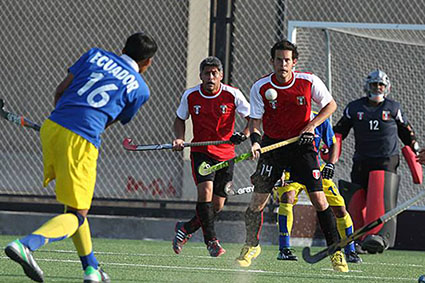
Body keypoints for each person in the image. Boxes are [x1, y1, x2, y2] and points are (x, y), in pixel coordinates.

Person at [4, 33, 157, 283]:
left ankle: (92, 270)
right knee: (77, 215)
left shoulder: (95, 54)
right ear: (148, 62)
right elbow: (109, 119)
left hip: (52, 127)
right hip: (81, 139)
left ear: (123, 48)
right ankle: (26, 245)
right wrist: (79, 134)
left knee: (75, 209)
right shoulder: (140, 88)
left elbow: (61, 91)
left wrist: (61, 123)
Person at [235, 40, 348, 272]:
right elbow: (255, 122)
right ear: (272, 61)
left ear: (294, 62)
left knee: (319, 199)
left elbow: (331, 105)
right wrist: (255, 142)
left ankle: (336, 251)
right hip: (273, 147)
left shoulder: (309, 81)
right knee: (257, 202)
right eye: (278, 60)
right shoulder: (260, 87)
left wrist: (311, 126)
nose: (283, 64)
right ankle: (251, 246)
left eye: (287, 60)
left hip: (302, 147)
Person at [171, 56, 250, 257]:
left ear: (221, 75)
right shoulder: (190, 95)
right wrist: (179, 139)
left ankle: (186, 228)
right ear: (201, 76)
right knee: (205, 192)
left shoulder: (233, 94)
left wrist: (245, 134)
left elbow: (252, 120)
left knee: (217, 205)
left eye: (215, 73)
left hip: (226, 155)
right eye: (207, 73)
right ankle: (212, 242)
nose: (211, 77)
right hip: (202, 153)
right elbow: (180, 119)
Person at [333, 69, 418, 254]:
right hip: (362, 159)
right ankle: (356, 237)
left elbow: (407, 132)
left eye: (381, 85)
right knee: (357, 198)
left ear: (387, 87)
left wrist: (416, 149)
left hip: (386, 159)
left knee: (379, 195)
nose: (377, 88)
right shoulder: (354, 108)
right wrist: (330, 146)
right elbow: (339, 131)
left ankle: (378, 236)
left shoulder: (394, 108)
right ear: (367, 86)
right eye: (374, 84)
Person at [273, 113, 361, 263]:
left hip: (315, 169)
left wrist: (330, 164)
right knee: (287, 197)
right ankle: (284, 249)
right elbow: (276, 147)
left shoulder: (320, 119)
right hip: (290, 171)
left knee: (340, 209)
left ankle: (350, 250)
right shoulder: (286, 118)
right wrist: (278, 170)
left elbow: (333, 143)